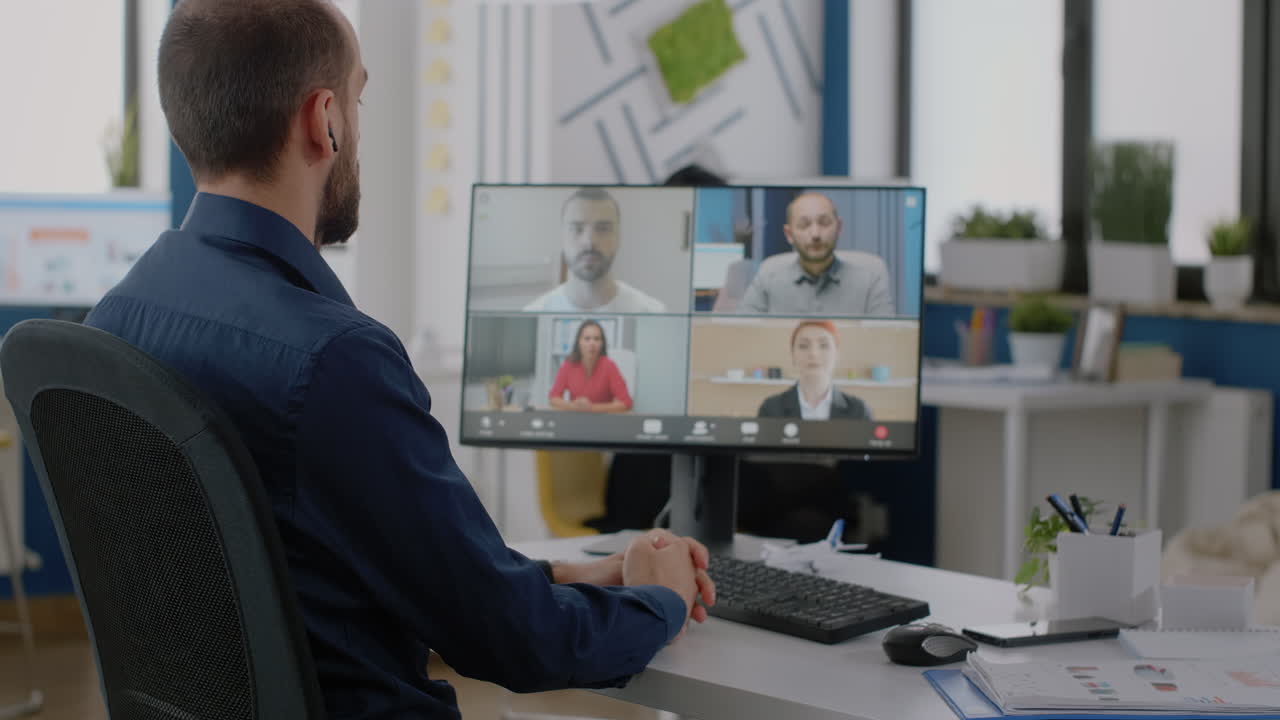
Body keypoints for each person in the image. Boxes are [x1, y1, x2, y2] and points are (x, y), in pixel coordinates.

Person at [83, 2, 713, 718]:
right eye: (359, 98)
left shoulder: (117, 318)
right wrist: (661, 597)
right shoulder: (334, 362)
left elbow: (311, 567)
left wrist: (567, 573)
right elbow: (518, 642)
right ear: (323, 121)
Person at [739, 192, 896, 316]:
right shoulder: (768, 278)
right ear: (789, 234)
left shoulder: (870, 282)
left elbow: (886, 342)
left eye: (824, 223)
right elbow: (743, 335)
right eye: (804, 225)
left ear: (839, 227)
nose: (815, 234)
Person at [523, 188, 666, 312]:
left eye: (603, 229)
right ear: (561, 237)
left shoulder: (653, 311)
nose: (589, 242)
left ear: (619, 237)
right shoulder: (533, 313)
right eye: (577, 229)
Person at [757, 321, 872, 420]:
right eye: (803, 346)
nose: (813, 354)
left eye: (823, 345)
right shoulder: (771, 409)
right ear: (792, 355)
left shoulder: (858, 411)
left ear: (837, 355)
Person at [548, 319, 633, 413]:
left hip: (603, 421)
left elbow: (626, 403)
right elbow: (553, 398)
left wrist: (591, 408)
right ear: (579, 342)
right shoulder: (569, 365)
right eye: (587, 339)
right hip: (576, 419)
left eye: (597, 339)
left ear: (602, 343)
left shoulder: (609, 366)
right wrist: (572, 406)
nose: (592, 343)